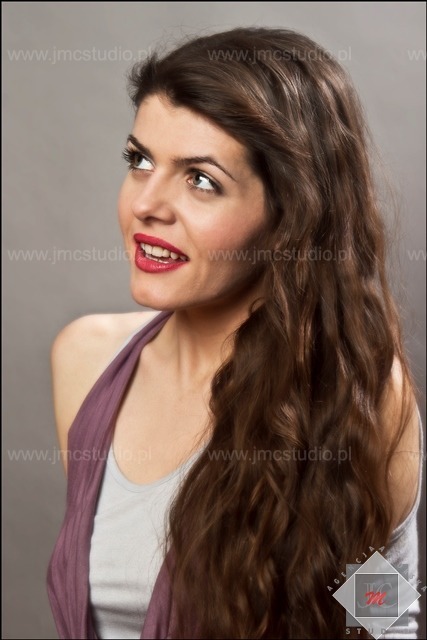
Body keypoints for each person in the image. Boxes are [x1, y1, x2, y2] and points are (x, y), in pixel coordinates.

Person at [47, 27, 423, 639]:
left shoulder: (357, 392)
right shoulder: (86, 361)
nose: (146, 205)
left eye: (201, 179)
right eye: (140, 161)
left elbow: (383, 616)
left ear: (290, 214)